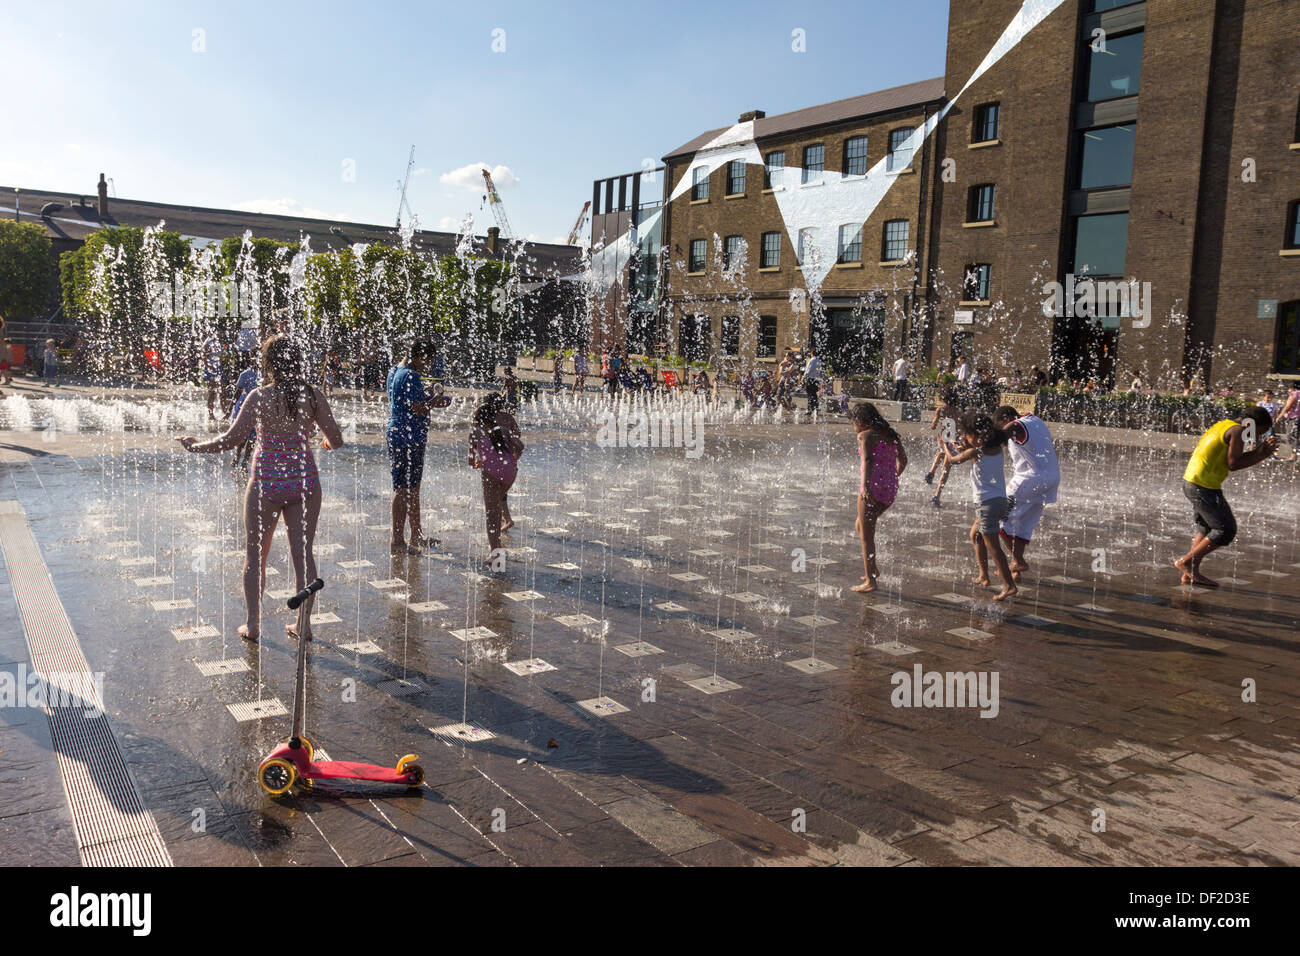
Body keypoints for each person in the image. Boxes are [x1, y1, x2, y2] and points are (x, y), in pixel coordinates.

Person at [177, 334, 344, 642]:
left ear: (268, 363)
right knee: (303, 553)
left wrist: (195, 446)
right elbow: (337, 439)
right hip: (304, 483)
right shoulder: (313, 395)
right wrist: (324, 443)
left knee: (255, 556)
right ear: (297, 360)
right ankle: (303, 625)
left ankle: (253, 625)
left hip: (266, 483)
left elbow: (230, 441)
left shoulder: (258, 397)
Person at [1174, 407, 1278, 587]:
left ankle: (1190, 573)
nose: (1258, 436)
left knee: (1206, 529)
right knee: (1225, 530)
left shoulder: (1225, 425)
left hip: (1193, 481)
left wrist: (1259, 452)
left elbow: (1232, 458)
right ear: (1250, 424)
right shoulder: (1238, 431)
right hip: (1203, 485)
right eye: (1259, 431)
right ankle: (1185, 562)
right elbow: (1233, 464)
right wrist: (1262, 454)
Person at [944, 412, 1017, 601]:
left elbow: (952, 460)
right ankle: (984, 575)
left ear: (976, 436)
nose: (965, 438)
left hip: (987, 505)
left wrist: (944, 445)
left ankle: (1009, 585)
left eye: (967, 434)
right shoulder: (995, 447)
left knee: (993, 547)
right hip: (1000, 501)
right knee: (975, 535)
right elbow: (971, 449)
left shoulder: (976, 452)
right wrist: (966, 444)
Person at [993, 405, 1060, 580]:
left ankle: (1017, 560)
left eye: (1000, 426)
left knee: (995, 515)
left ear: (1006, 418)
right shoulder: (1035, 420)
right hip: (1051, 479)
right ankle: (1016, 570)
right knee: (1022, 524)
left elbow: (1013, 428)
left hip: (1030, 479)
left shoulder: (1017, 424)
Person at [386, 343, 439, 554]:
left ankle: (416, 534)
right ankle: (397, 541)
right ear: (418, 356)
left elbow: (405, 401)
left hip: (403, 434)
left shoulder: (395, 371)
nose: (427, 366)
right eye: (426, 361)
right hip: (407, 437)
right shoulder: (410, 375)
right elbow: (418, 408)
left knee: (413, 487)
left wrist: (425, 397)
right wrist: (435, 400)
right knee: (403, 488)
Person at [850, 402, 908, 593]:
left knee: (867, 536)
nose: (853, 426)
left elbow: (867, 460)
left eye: (853, 421)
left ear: (861, 421)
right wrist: (891, 478)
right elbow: (904, 460)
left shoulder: (865, 436)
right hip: (888, 490)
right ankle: (872, 568)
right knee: (860, 525)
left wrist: (866, 487)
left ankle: (870, 581)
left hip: (871, 489)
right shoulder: (890, 435)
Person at [469, 392, 524, 561]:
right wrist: (512, 459)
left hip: (491, 473)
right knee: (497, 505)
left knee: (491, 514)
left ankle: (496, 555)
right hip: (510, 471)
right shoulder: (503, 429)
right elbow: (520, 445)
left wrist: (480, 462)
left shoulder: (475, 432)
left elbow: (471, 460)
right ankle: (498, 544)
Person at [924, 388, 960, 507]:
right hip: (955, 441)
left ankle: (931, 474)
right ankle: (937, 494)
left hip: (945, 438)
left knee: (941, 455)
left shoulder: (941, 410)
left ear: (944, 399)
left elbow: (933, 426)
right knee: (946, 468)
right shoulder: (959, 411)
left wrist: (934, 423)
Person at [229, 347, 260, 471]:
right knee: (243, 436)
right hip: (245, 407)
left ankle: (245, 463)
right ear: (251, 359)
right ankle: (237, 458)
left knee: (253, 437)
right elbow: (237, 392)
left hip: (258, 407)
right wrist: (230, 409)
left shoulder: (266, 374)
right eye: (255, 358)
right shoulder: (245, 374)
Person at [200, 332, 222, 418]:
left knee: (222, 391)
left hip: (218, 368)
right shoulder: (207, 343)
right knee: (212, 392)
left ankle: (224, 411)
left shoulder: (216, 342)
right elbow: (204, 357)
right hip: (210, 369)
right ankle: (211, 414)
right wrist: (209, 368)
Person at [1278, 386, 1299, 463]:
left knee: (1290, 436)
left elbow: (1288, 406)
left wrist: (1280, 416)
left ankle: (1293, 456)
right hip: (1297, 418)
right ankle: (1295, 455)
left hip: (1295, 418)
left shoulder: (1295, 393)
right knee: (1295, 437)